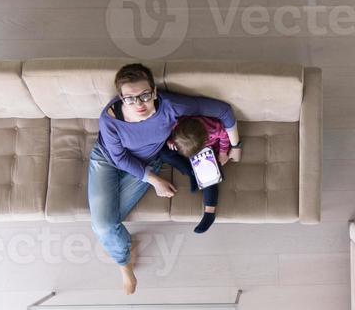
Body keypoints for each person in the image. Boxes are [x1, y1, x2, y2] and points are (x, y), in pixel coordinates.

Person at [86, 63, 240, 293]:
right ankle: (125, 265)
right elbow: (119, 158)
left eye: (145, 95)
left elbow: (224, 111)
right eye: (130, 98)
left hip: (148, 160)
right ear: (121, 98)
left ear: (154, 92)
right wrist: (155, 180)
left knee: (106, 225)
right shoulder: (109, 120)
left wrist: (235, 145)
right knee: (103, 224)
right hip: (107, 160)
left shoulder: (171, 106)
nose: (139, 104)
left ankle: (123, 252)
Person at [164, 115, 241, 235]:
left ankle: (209, 213)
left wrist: (223, 153)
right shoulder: (176, 126)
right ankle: (193, 173)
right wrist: (171, 142)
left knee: (209, 177)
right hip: (185, 147)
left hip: (208, 153)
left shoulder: (214, 128)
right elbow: (169, 136)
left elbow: (225, 136)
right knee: (164, 153)